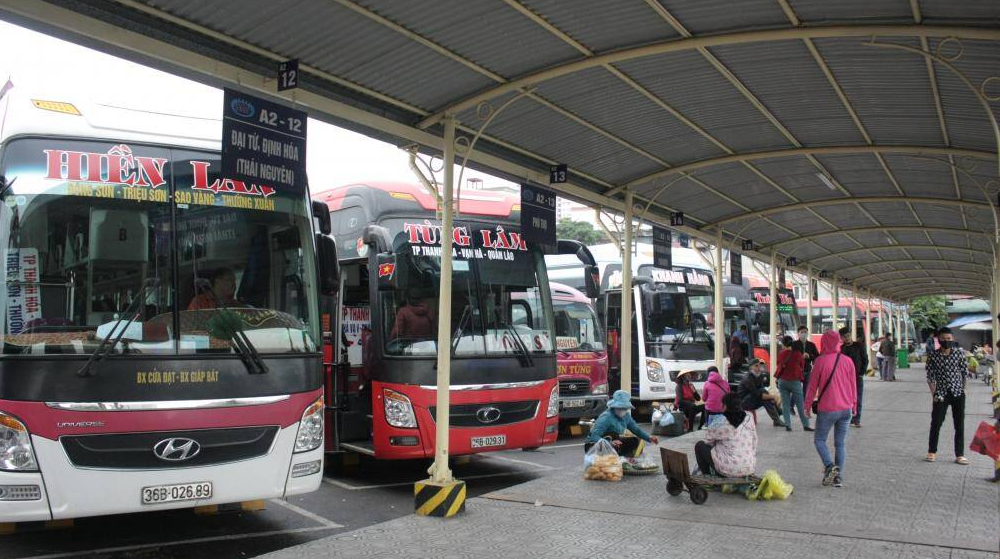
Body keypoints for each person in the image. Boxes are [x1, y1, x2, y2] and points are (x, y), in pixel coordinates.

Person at [805, 330, 857, 488]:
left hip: (827, 409)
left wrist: (807, 406)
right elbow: (853, 386)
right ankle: (838, 477)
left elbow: (811, 387)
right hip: (846, 409)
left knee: (819, 440)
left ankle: (829, 466)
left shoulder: (820, 362)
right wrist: (854, 405)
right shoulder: (848, 361)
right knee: (840, 444)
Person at [925, 327, 969, 465]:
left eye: (949, 339)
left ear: (953, 339)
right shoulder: (933, 356)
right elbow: (930, 376)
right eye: (943, 339)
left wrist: (964, 389)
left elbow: (964, 373)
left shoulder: (959, 354)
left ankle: (960, 455)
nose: (946, 341)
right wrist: (934, 394)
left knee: (959, 424)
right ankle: (932, 451)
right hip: (941, 394)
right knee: (936, 423)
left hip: (957, 393)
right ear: (938, 340)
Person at [694, 392, 757, 477]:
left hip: (729, 469)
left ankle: (707, 477)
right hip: (749, 467)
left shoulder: (720, 421)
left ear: (725, 406)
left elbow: (708, 440)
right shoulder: (749, 417)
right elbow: (754, 440)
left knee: (700, 445)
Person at [585, 390, 658, 459]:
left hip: (613, 441)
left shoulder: (626, 416)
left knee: (634, 441)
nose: (622, 410)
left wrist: (648, 437)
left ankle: (623, 459)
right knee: (614, 446)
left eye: (625, 408)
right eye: (620, 407)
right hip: (594, 445)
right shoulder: (606, 417)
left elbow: (636, 430)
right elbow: (594, 436)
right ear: (614, 406)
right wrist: (610, 443)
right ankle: (612, 459)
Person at [775, 336, 811, 432]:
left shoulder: (781, 354)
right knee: (800, 404)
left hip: (782, 381)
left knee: (785, 404)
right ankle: (806, 425)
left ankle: (788, 425)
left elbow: (778, 364)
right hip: (794, 381)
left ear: (783, 344)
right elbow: (802, 366)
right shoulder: (798, 354)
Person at [738, 358, 786, 427]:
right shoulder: (748, 378)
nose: (759, 368)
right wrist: (774, 396)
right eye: (756, 366)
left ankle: (777, 420)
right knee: (764, 395)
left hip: (753, 399)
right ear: (751, 367)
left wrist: (771, 398)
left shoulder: (759, 376)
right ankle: (779, 413)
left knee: (766, 399)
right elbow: (758, 394)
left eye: (759, 366)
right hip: (743, 402)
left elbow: (762, 391)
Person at [839, 326, 869, 428]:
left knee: (858, 398)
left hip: (857, 377)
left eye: (848, 336)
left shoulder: (859, 346)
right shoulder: (841, 348)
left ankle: (856, 419)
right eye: (844, 337)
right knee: (846, 399)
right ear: (841, 338)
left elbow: (865, 359)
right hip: (844, 378)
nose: (846, 338)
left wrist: (862, 373)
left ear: (850, 335)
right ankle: (848, 418)